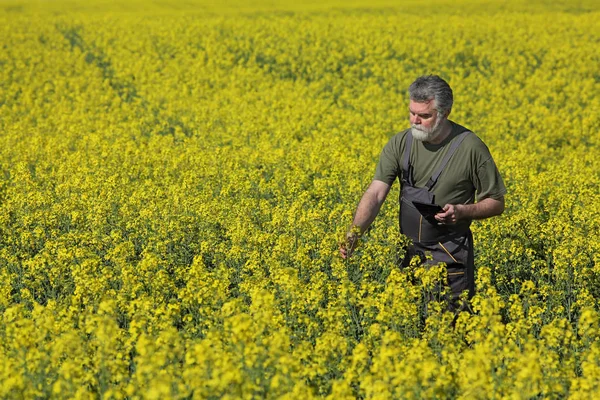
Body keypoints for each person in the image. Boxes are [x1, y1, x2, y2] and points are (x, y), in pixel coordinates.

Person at [340, 75, 506, 311]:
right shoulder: (401, 144)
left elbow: (496, 202)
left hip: (449, 256)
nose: (415, 120)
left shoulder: (470, 148)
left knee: (450, 331)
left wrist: (462, 211)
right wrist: (354, 234)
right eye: (412, 112)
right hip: (407, 254)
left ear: (445, 113)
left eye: (425, 116)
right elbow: (376, 193)